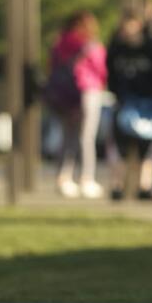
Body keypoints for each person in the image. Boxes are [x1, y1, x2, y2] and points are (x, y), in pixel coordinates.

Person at [106, 8, 152, 200]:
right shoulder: (116, 48)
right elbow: (110, 73)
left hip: (149, 102)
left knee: (149, 145)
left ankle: (145, 185)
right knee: (119, 144)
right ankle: (118, 185)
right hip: (124, 101)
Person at [48, 11, 108, 198]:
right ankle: (86, 178)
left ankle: (63, 177)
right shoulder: (89, 45)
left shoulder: (60, 44)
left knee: (68, 137)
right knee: (86, 137)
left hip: (65, 95)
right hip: (87, 92)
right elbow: (101, 69)